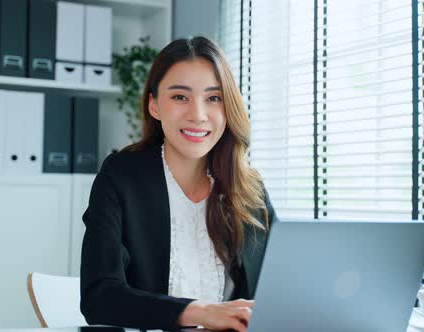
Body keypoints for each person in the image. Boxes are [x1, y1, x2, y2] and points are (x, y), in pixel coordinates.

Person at [80, 36, 279, 332]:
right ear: (154, 105)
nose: (197, 115)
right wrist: (199, 312)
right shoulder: (120, 178)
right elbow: (99, 297)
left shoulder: (250, 190)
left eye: (214, 98)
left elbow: (279, 289)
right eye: (180, 97)